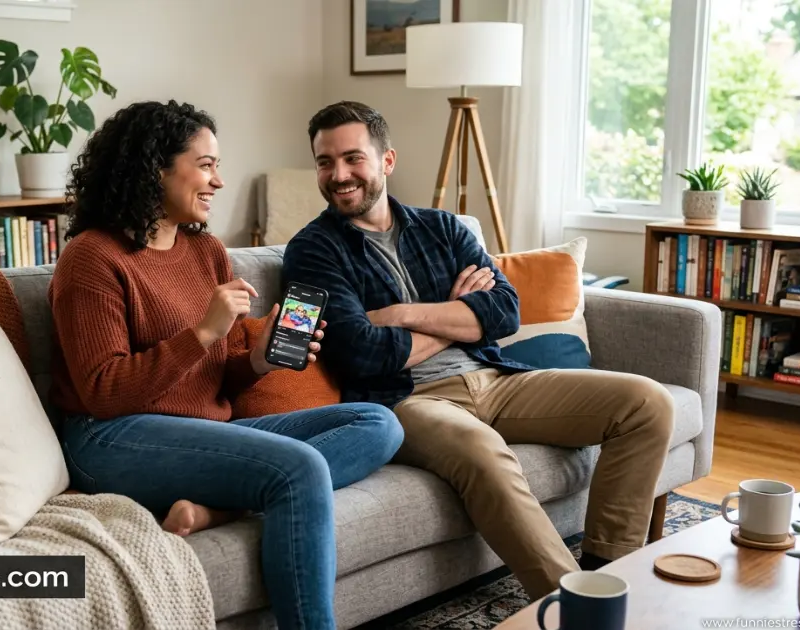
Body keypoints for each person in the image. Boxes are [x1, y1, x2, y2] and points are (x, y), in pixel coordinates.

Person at [281, 101, 675, 601]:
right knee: (485, 453)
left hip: (495, 377)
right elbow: (361, 351)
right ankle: (574, 609)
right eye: (324, 162)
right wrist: (457, 316)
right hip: (409, 402)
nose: (339, 175)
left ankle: (605, 569)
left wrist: (404, 314)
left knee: (646, 404)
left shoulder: (445, 229)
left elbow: (504, 312)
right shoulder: (312, 250)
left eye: (353, 158)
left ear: (387, 160)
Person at [48, 99, 404, 630]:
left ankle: (220, 509)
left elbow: (218, 374)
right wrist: (203, 332)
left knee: (378, 422)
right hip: (107, 436)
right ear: (155, 169)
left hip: (199, 428)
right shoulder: (92, 257)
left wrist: (256, 361)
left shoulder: (207, 251)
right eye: (207, 164)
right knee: (298, 467)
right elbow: (103, 390)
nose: (218, 181)